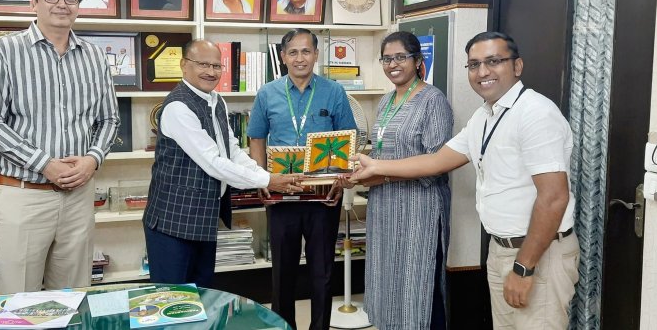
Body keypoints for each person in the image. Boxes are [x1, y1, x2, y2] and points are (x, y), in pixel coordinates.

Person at [351, 31, 579, 329]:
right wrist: (375, 166)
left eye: (493, 61)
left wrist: (524, 267)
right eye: (474, 65)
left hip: (537, 253)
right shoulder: (485, 116)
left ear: (517, 66)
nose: (482, 72)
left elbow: (554, 198)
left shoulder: (536, 114)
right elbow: (436, 160)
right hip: (502, 249)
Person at [0, 0, 120, 295]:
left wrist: (92, 159)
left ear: (79, 4)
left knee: (72, 296)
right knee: (19, 300)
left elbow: (109, 119)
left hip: (78, 197)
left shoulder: (95, 57)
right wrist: (45, 163)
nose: (61, 4)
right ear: (34, 2)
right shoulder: (6, 51)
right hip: (23, 195)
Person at [143, 39, 302, 288]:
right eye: (202, 64)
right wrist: (269, 180)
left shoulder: (217, 100)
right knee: (173, 300)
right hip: (173, 222)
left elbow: (231, 149)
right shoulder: (177, 107)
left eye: (217, 66)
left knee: (202, 293)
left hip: (204, 218)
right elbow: (213, 162)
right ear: (184, 65)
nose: (211, 71)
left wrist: (261, 174)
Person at [337, 31, 453, 329]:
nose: (393, 64)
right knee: (387, 282)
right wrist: (358, 178)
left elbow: (436, 164)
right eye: (387, 58)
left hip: (419, 211)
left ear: (417, 60)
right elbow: (379, 157)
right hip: (384, 210)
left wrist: (377, 171)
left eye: (400, 57)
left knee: (418, 285)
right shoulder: (387, 100)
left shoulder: (433, 100)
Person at [247, 28, 357, 330]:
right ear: (283, 57)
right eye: (292, 52)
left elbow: (347, 139)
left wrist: (340, 181)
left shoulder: (333, 91)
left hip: (323, 197)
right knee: (282, 271)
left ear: (316, 55)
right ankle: (285, 327)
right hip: (282, 196)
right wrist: (263, 179)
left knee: (322, 272)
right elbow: (256, 138)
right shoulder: (267, 93)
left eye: (306, 51)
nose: (300, 58)